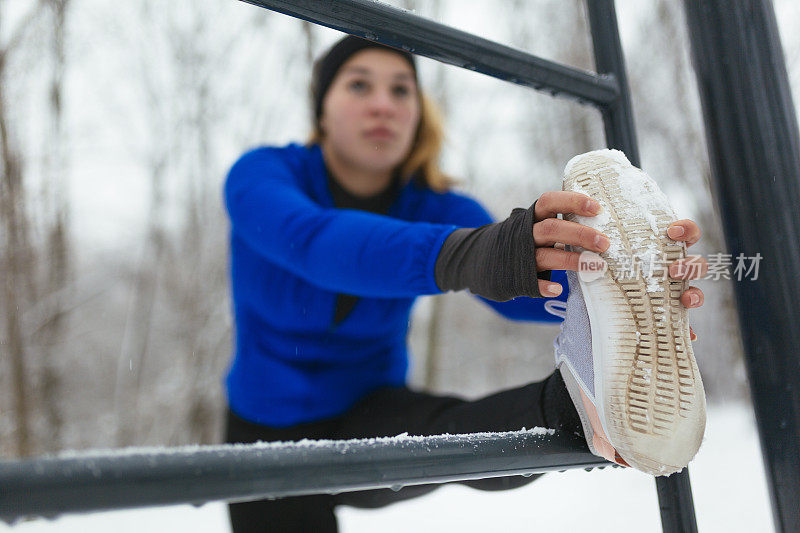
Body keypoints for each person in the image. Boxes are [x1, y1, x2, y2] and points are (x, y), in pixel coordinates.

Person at [222, 36, 707, 532]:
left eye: (401, 90)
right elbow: (318, 245)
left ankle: (583, 406)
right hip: (264, 432)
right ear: (322, 108)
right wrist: (474, 253)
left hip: (371, 413)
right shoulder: (261, 177)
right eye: (359, 85)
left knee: (453, 436)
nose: (383, 104)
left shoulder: (437, 205)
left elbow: (519, 294)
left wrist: (602, 272)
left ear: (417, 114)